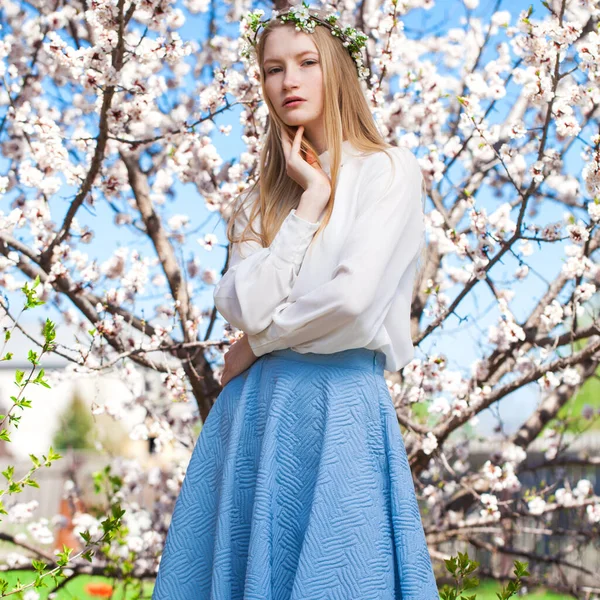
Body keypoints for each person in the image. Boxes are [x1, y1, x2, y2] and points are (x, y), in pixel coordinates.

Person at [152, 4, 439, 599]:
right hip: (254, 415)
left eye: (306, 62)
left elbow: (354, 304)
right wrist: (308, 204)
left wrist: (259, 344)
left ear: (337, 69)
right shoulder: (257, 204)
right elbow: (244, 305)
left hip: (341, 409)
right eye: (272, 69)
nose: (289, 81)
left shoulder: (389, 171)